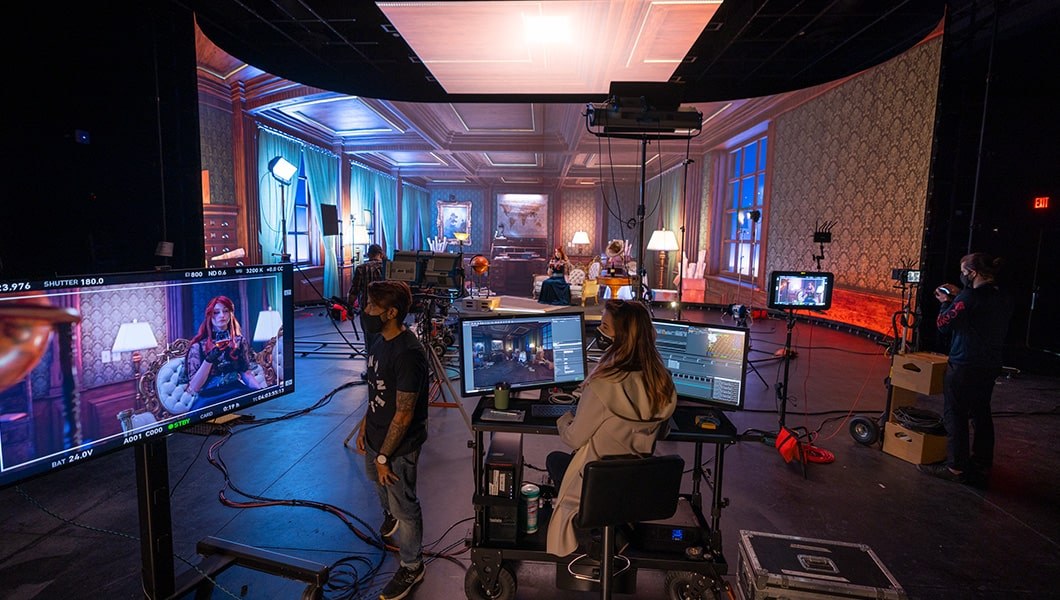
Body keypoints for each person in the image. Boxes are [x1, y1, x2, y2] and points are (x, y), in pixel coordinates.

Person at [545, 299, 677, 557]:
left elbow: (574, 438)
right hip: (637, 485)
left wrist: (565, 418)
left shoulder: (602, 385)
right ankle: (614, 532)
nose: (599, 331)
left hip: (596, 485)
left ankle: (592, 534)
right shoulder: (662, 383)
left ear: (622, 336)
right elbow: (662, 431)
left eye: (605, 326)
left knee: (555, 460)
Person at [353, 280, 430, 600]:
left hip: (398, 448)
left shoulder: (409, 353)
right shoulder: (378, 340)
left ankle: (413, 565)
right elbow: (377, 391)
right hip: (376, 437)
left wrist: (385, 456)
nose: (365, 311)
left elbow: (404, 414)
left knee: (405, 507)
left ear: (391, 313)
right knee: (378, 483)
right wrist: (364, 424)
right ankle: (390, 515)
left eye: (372, 306)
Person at [919, 252, 1012, 484]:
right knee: (981, 413)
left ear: (972, 273)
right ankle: (981, 463)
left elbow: (944, 325)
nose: (962, 275)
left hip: (964, 364)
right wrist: (960, 297)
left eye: (963, 271)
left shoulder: (968, 298)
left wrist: (947, 302)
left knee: (955, 415)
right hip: (989, 365)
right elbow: (978, 314)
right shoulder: (1002, 296)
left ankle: (956, 468)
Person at [185, 296, 263, 410]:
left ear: (231, 314)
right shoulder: (198, 346)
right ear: (209, 316)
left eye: (226, 311)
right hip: (210, 396)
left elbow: (246, 374)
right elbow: (195, 387)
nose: (222, 315)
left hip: (235, 389)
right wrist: (209, 359)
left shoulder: (239, 341)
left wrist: (261, 393)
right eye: (216, 312)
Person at [348, 244, 386, 377]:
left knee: (370, 343)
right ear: (380, 254)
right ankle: (386, 370)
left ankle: (372, 372)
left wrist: (349, 309)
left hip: (368, 311)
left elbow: (354, 292)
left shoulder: (361, 269)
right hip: (387, 311)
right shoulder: (389, 267)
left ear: (369, 254)